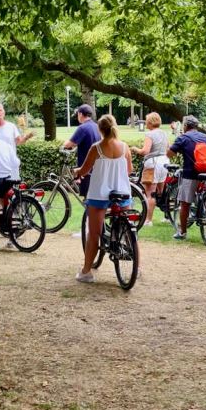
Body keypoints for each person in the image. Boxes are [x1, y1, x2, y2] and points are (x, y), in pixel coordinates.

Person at [73, 114, 132, 283]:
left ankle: (86, 272)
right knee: (128, 229)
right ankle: (137, 266)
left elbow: (84, 170)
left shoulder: (96, 148)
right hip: (122, 192)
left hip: (99, 194)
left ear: (100, 130)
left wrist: (77, 172)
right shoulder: (125, 147)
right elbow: (129, 170)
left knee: (94, 234)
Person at [0, 102, 34, 251]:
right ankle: (9, 237)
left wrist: (27, 137)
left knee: (8, 205)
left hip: (7, 169)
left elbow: (18, 141)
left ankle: (4, 240)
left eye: (0, 110)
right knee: (3, 205)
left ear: (3, 112)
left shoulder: (10, 127)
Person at [167, 115, 206, 240]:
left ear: (186, 126)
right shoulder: (204, 137)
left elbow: (169, 154)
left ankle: (182, 232)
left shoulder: (183, 138)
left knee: (185, 203)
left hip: (190, 173)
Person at [130, 111, 168, 226]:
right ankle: (167, 216)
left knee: (150, 193)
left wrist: (135, 149)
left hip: (153, 163)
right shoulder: (164, 133)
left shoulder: (150, 134)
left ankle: (148, 220)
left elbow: (145, 151)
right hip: (164, 161)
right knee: (161, 192)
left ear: (150, 122)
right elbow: (168, 148)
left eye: (146, 121)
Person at [62, 104, 100, 198]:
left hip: (86, 166)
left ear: (80, 114)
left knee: (89, 198)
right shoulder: (96, 126)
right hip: (97, 165)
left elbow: (69, 144)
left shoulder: (82, 128)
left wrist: (63, 145)